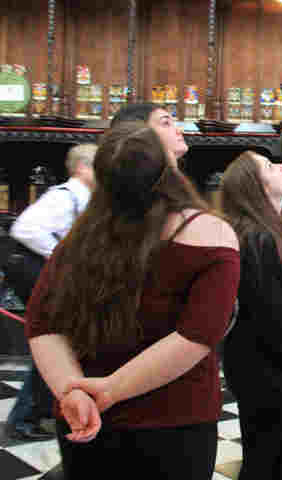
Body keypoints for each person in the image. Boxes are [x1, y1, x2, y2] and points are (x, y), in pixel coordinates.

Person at [24, 122, 240, 479]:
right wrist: (109, 390)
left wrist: (72, 391)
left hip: (84, 419)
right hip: (172, 423)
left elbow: (42, 324)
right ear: (167, 169)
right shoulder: (209, 234)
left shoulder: (80, 237)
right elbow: (197, 335)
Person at [218, 151, 282, 479]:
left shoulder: (264, 231)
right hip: (264, 366)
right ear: (255, 185)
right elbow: (272, 314)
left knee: (275, 454)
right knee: (279, 458)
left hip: (263, 363)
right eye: (268, 165)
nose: (281, 166)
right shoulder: (257, 237)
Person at [4, 143, 97, 441]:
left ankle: (40, 410)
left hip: (39, 270)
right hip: (31, 270)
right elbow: (24, 230)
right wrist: (62, 256)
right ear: (82, 168)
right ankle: (25, 417)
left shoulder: (81, 198)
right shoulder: (65, 196)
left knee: (58, 341)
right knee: (54, 341)